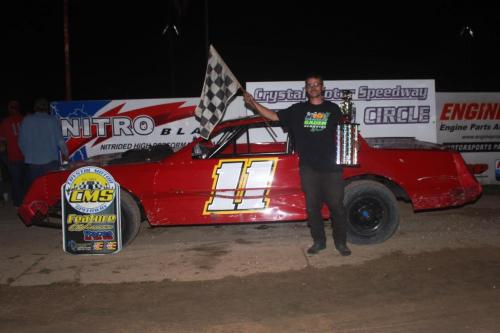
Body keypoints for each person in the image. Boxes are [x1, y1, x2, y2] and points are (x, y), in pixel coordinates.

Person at [243, 74, 351, 256]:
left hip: (332, 168)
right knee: (312, 208)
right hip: (309, 168)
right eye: (310, 85)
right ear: (306, 89)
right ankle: (319, 242)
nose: (313, 88)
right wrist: (253, 104)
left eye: (317, 85)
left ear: (323, 87)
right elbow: (273, 116)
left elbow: (347, 132)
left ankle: (341, 243)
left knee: (337, 207)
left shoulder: (334, 109)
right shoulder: (298, 110)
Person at [18, 98, 68, 189]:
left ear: (35, 108)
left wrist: (28, 155)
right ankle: (50, 203)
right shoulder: (52, 120)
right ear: (46, 108)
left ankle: (38, 203)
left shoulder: (26, 120)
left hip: (33, 161)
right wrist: (65, 153)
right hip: (50, 160)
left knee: (37, 188)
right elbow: (60, 140)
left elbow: (21, 142)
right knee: (51, 186)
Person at [0, 100, 25, 206]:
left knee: (15, 179)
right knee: (23, 180)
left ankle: (17, 202)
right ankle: (22, 200)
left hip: (13, 155)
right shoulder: (25, 120)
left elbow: (2, 140)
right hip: (25, 155)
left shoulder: (5, 122)